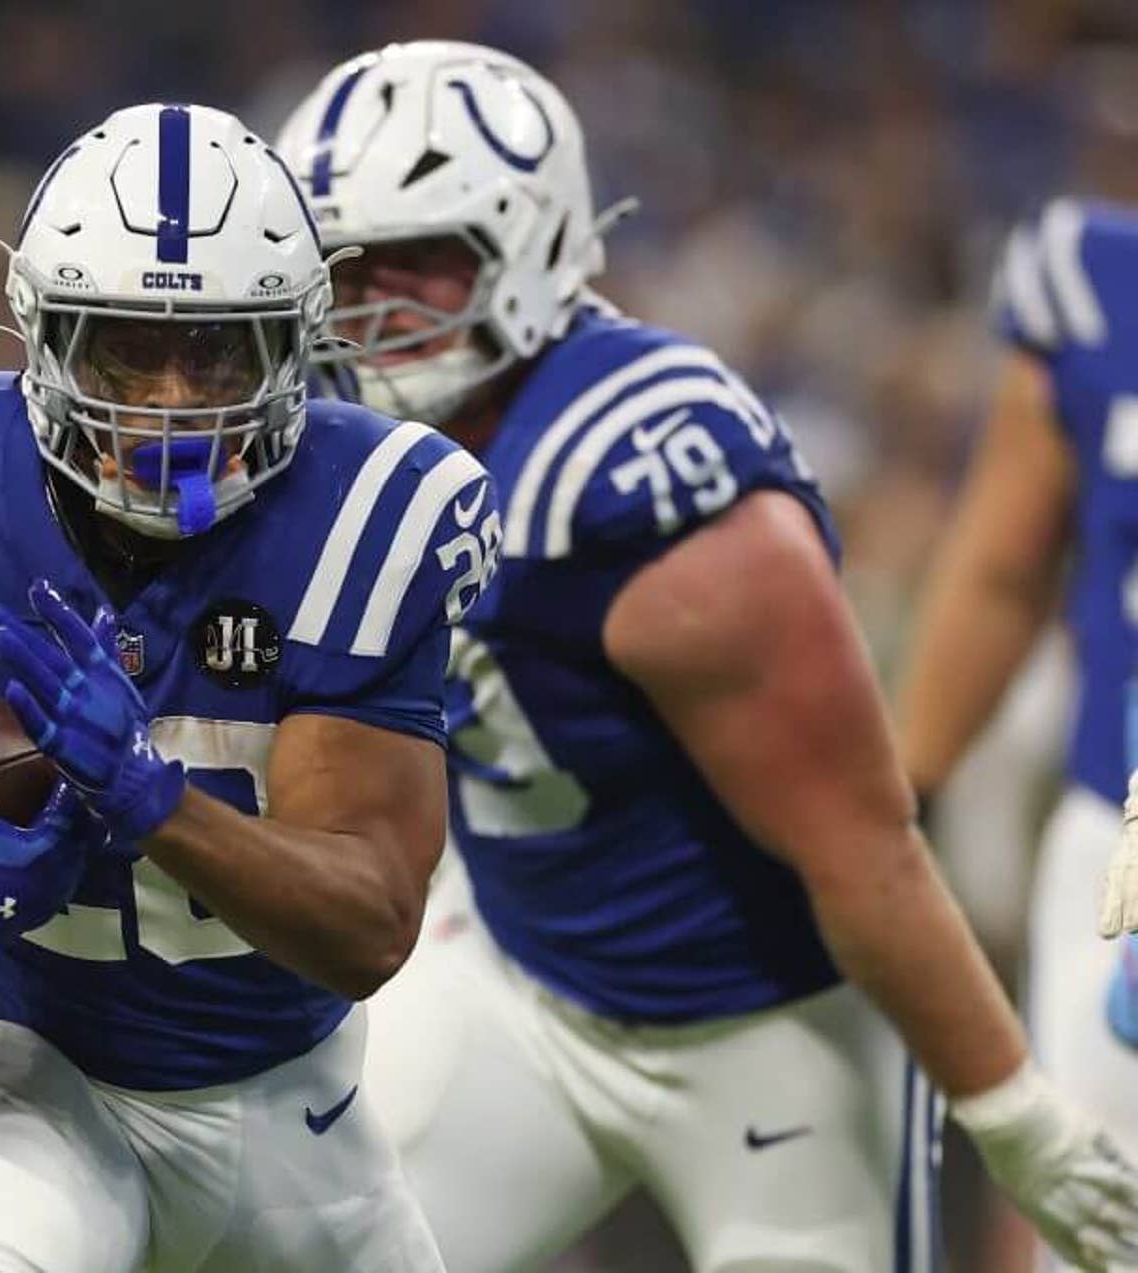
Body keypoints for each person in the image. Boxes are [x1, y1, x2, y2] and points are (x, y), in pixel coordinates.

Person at [278, 40, 1138, 1272]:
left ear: (527, 245)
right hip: (525, 980)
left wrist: (1014, 1116)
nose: (369, 307)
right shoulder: (333, 434)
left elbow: (866, 845)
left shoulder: (654, 485)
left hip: (765, 1028)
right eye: (344, 267)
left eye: (417, 262)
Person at [0, 101, 496, 1273]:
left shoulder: (369, 517)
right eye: (131, 346)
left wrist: (149, 799)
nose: (174, 400)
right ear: (44, 336)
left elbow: (370, 920)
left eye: (218, 349)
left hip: (289, 1108)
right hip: (19, 1068)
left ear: (295, 344)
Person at [900, 198, 1138, 1268]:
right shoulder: (1095, 279)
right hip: (1120, 843)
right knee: (1101, 1231)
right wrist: (898, 796)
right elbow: (999, 572)